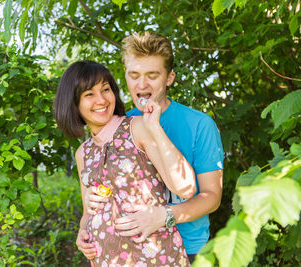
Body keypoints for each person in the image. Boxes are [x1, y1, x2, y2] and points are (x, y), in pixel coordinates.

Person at [77, 32, 224, 264]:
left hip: (190, 248)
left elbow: (212, 197)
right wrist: (86, 223)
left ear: (169, 78)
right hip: (137, 253)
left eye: (152, 75)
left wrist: (164, 216)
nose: (142, 85)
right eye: (134, 75)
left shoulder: (200, 124)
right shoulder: (122, 126)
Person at [54, 60, 196, 266]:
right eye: (89, 94)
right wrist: (82, 233)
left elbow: (186, 188)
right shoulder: (82, 152)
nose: (101, 99)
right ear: (73, 102)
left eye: (105, 89)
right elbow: (88, 213)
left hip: (155, 257)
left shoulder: (136, 127)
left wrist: (155, 128)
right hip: (106, 259)